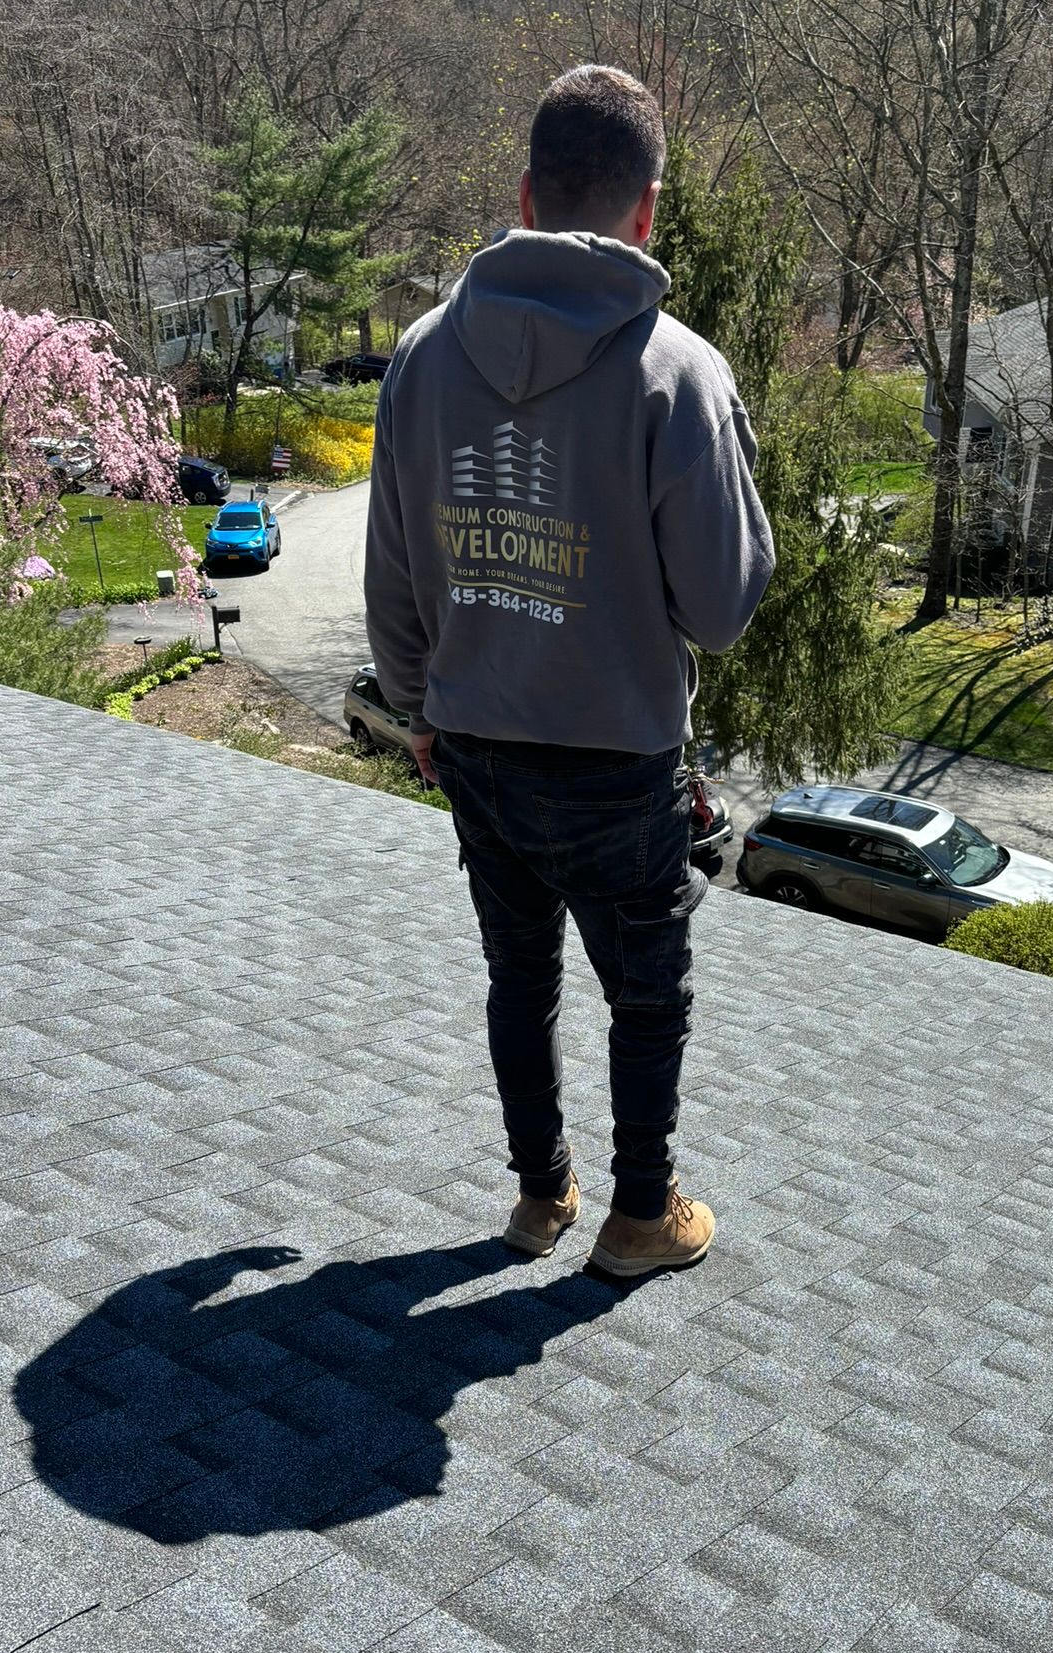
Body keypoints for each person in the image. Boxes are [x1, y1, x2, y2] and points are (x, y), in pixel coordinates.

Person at [364, 64, 774, 1279]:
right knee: (645, 996)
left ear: (526, 194)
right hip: (616, 760)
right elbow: (722, 604)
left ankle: (540, 1197)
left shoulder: (424, 359)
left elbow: (390, 575)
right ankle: (640, 1219)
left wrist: (419, 710)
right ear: (647, 208)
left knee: (518, 978)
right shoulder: (677, 372)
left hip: (475, 745)